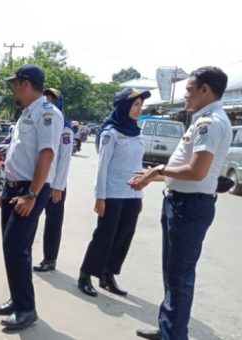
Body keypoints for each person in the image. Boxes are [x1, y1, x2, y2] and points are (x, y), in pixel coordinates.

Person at [130, 67, 232, 340]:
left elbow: (196, 171)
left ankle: (173, 335)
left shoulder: (209, 123)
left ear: (205, 90)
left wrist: (158, 171)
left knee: (179, 276)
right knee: (173, 273)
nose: (185, 95)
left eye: (189, 89)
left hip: (189, 207)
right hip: (182, 203)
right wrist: (154, 176)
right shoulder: (204, 119)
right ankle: (169, 328)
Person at [0, 64, 63, 331]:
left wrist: (31, 194)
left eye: (14, 84)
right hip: (14, 188)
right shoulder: (27, 113)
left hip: (30, 190)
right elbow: (18, 153)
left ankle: (26, 309)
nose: (13, 89)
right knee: (15, 247)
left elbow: (46, 155)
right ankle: (17, 298)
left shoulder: (48, 114)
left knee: (15, 247)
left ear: (25, 83)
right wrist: (5, 188)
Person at [77, 87, 150, 298]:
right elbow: (102, 168)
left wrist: (140, 194)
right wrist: (100, 197)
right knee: (104, 236)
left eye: (140, 105)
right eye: (135, 105)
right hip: (112, 194)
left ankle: (108, 274)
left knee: (123, 237)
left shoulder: (136, 133)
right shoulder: (111, 133)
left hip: (132, 195)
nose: (138, 109)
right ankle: (86, 274)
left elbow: (138, 164)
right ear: (124, 106)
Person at [33, 88, 73, 272]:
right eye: (45, 99)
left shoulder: (65, 129)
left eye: (52, 100)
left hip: (54, 184)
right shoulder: (39, 121)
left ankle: (50, 259)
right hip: (39, 180)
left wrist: (58, 187)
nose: (48, 103)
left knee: (53, 223)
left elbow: (64, 160)